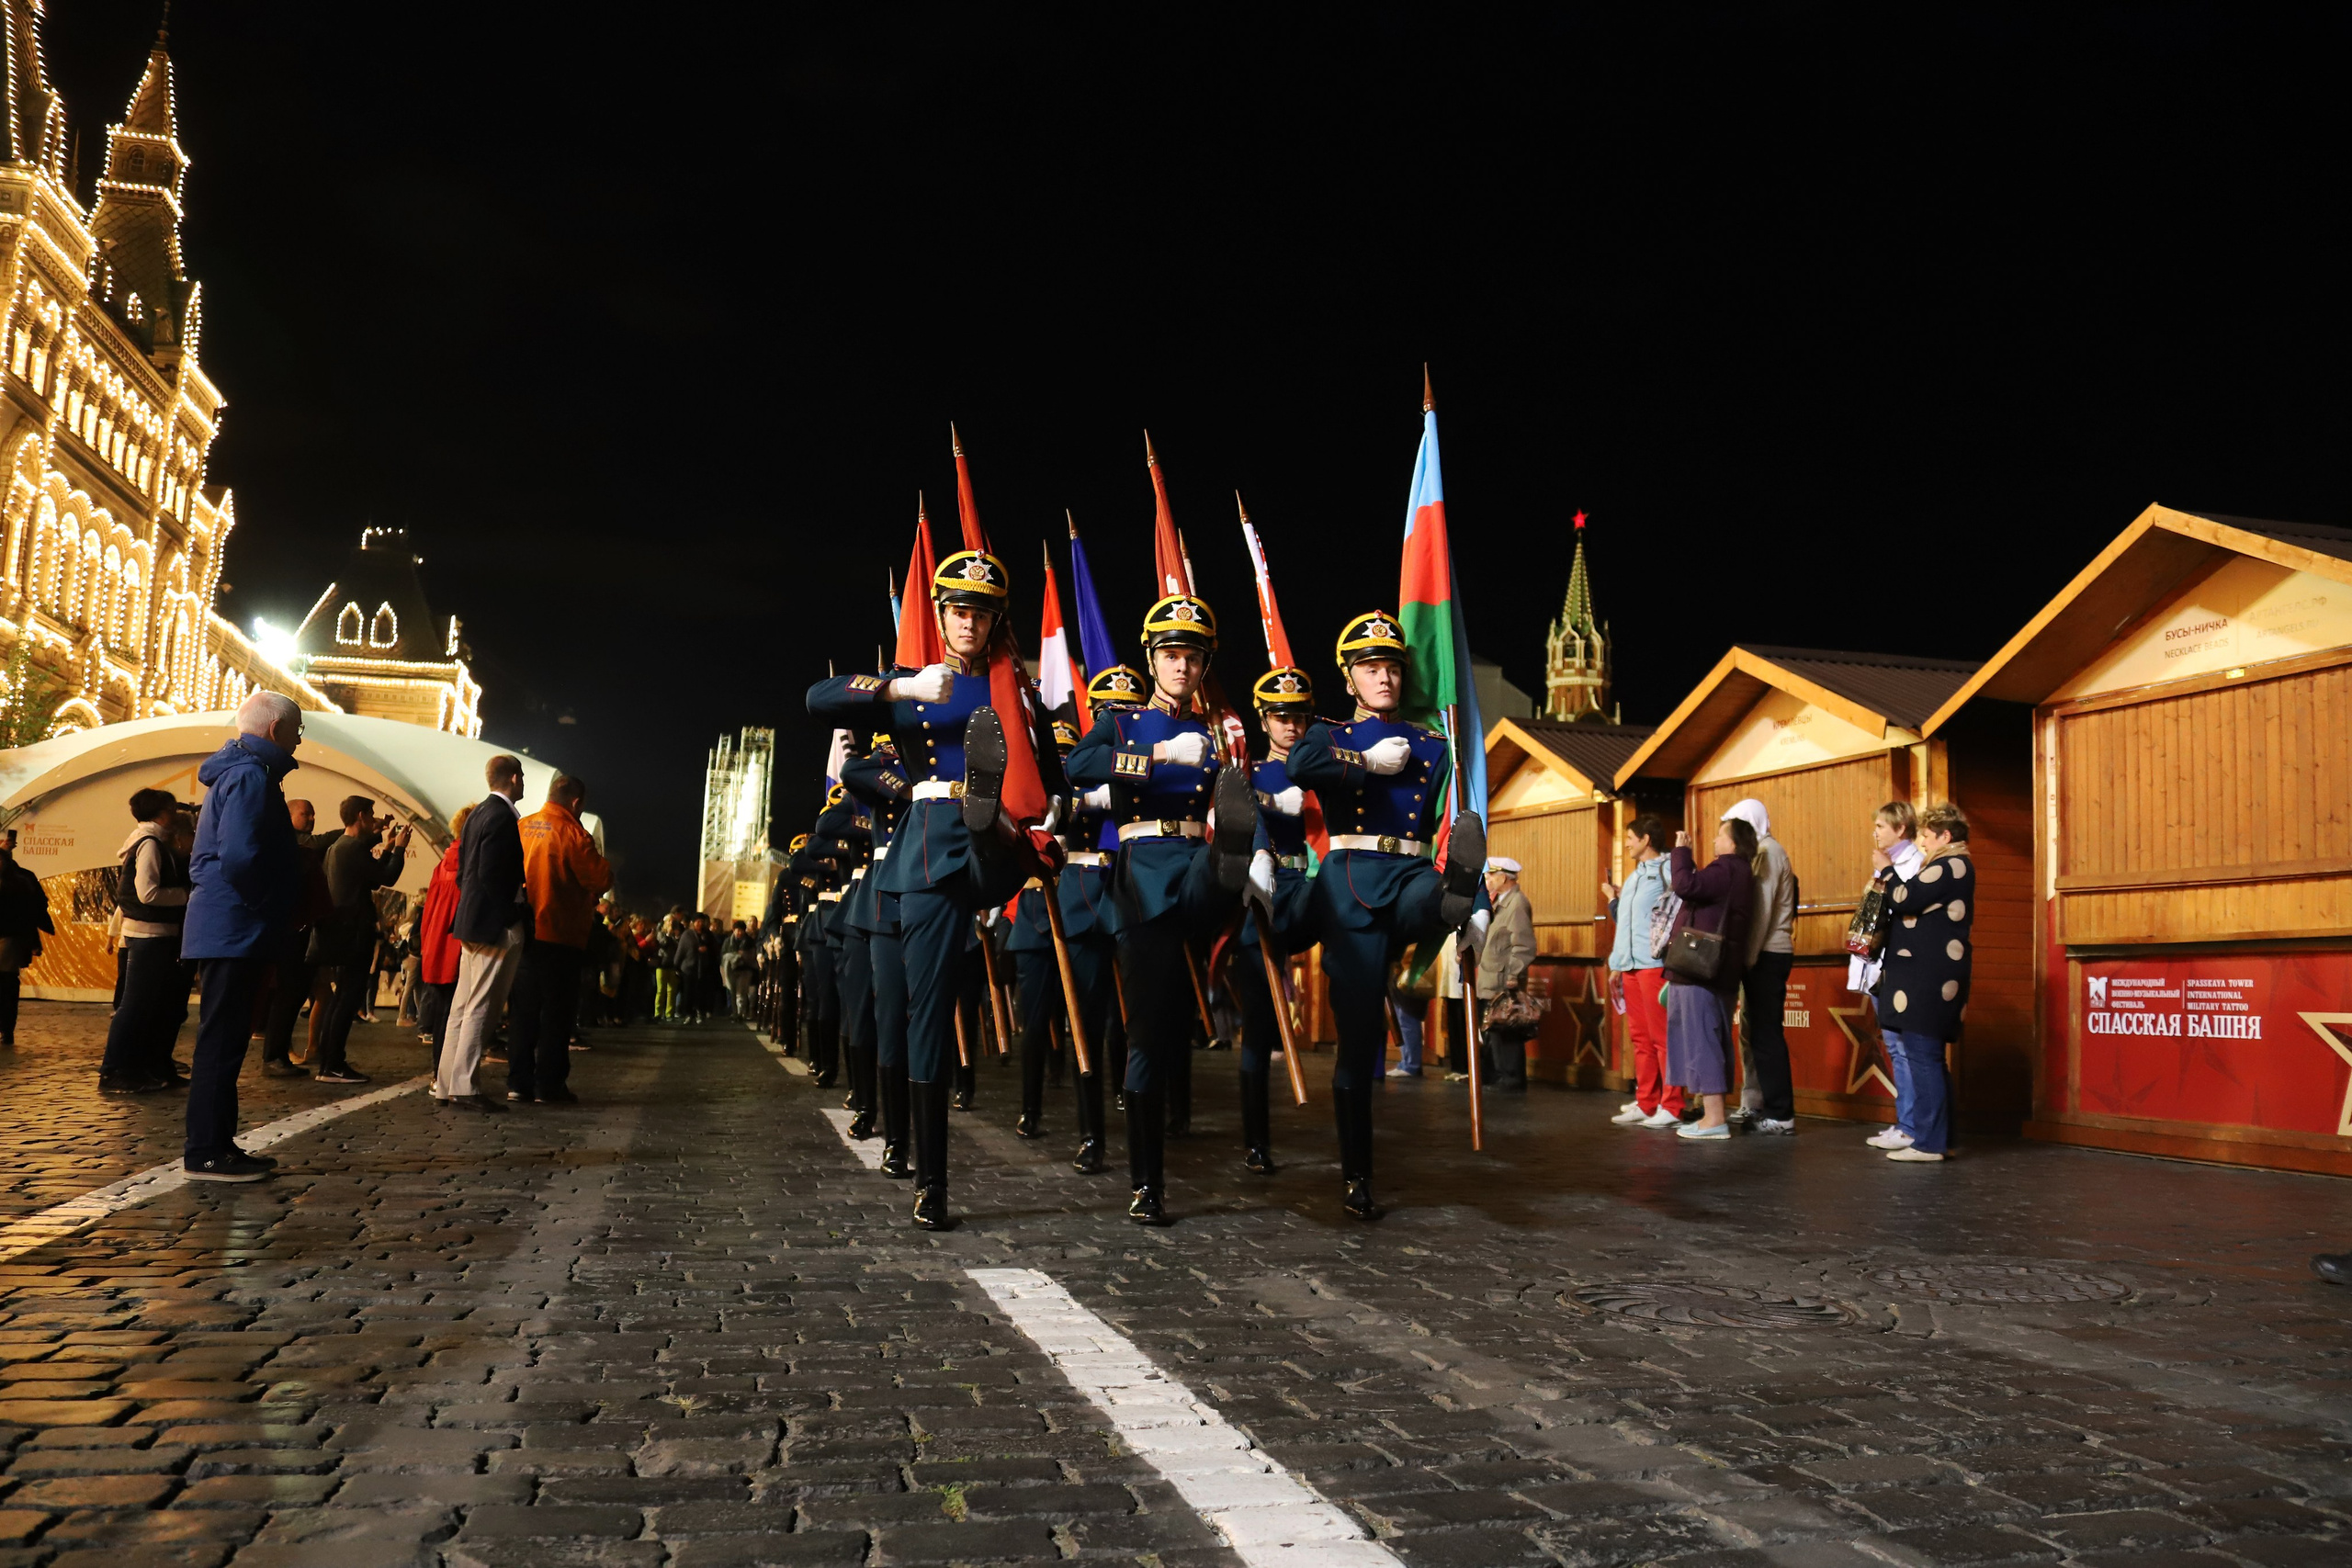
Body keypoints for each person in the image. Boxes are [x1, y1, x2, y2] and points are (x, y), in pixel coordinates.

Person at [808, 545, 1068, 1230]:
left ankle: (987, 811)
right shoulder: (914, 681)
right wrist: (901, 689)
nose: (968, 623)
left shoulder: (1015, 693)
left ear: (992, 622)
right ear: (941, 615)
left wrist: (1059, 824)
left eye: (981, 614)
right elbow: (817, 698)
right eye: (958, 611)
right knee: (930, 1007)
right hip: (928, 849)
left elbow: (1057, 784)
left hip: (997, 844)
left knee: (999, 832)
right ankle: (934, 1180)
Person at [1282, 611, 1486, 1221]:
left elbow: (1441, 818)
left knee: (1436, 896)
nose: (1385, 677)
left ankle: (1460, 898)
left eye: (1393, 667)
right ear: (1350, 678)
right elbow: (1299, 768)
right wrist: (1367, 763)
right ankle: (1357, 1175)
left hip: (1413, 873)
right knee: (1360, 1037)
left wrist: (1465, 899)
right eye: (1371, 668)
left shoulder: (1432, 743)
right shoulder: (1326, 732)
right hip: (1352, 885)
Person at [1066, 594, 1259, 1225]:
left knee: (1217, 871)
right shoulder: (1123, 723)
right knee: (1152, 1033)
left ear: (1205, 665)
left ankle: (1235, 860)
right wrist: (1150, 760)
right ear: (1153, 658)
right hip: (1144, 874)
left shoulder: (1212, 731)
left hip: (1195, 860)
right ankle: (1147, 1183)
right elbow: (1077, 764)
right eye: (1172, 654)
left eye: (1193, 656)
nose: (1182, 665)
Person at [180, 691, 306, 1182]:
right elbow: (239, 857)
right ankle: (207, 1151)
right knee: (222, 1040)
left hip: (229, 923)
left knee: (226, 1038)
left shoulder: (243, 772)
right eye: (297, 729)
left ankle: (216, 1145)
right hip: (236, 924)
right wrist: (269, 906)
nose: (299, 738)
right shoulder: (252, 776)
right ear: (275, 730)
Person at [1226, 666, 1319, 1175]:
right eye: (1281, 717)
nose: (1291, 726)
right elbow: (1229, 809)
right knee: (1259, 1028)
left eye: (1299, 717)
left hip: (1311, 888)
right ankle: (1256, 1140)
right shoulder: (1252, 774)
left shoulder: (1323, 770)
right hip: (1263, 894)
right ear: (1265, 721)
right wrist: (1265, 802)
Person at [1873, 801, 1973, 1164]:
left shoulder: (1952, 864)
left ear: (1946, 836)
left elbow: (1905, 897)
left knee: (1924, 1056)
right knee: (1926, 1057)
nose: (1924, 845)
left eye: (1928, 837)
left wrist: (1886, 872)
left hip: (1930, 976)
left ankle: (1929, 1143)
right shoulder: (1950, 864)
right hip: (1930, 974)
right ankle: (1937, 1138)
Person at [511, 773, 612, 1105]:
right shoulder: (573, 833)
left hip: (524, 932)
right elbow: (599, 878)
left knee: (523, 1011)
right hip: (561, 934)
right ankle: (548, 1085)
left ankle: (518, 1082)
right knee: (556, 1013)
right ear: (576, 802)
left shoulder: (522, 826)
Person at [441, 754, 528, 1109]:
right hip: (493, 923)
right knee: (481, 1004)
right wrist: (510, 914)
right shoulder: (502, 816)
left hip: (472, 919)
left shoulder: (477, 813)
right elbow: (493, 874)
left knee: (462, 1005)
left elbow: (465, 871)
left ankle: (446, 1081)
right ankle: (464, 1085)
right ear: (514, 777)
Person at [1665, 816, 1755, 1139]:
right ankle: (1711, 1116)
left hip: (1699, 969)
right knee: (1708, 1038)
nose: (1715, 842)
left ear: (1733, 843)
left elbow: (1685, 885)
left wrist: (1681, 853)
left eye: (1720, 836)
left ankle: (1714, 1119)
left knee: (1701, 1039)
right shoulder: (1742, 872)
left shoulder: (1727, 868)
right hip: (1720, 969)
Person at [97, 788, 192, 1094]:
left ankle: (151, 1067)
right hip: (148, 936)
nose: (177, 813)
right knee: (135, 1006)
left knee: (157, 1006)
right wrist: (187, 896)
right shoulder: (149, 845)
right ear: (162, 813)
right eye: (173, 808)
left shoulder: (152, 843)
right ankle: (114, 1072)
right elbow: (147, 893)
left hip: (159, 936)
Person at [310, 796, 410, 1085]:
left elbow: (370, 873)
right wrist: (399, 849)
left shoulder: (338, 847)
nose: (374, 819)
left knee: (341, 999)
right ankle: (333, 1064)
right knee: (346, 1000)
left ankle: (329, 1062)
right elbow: (386, 876)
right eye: (372, 815)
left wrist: (386, 842)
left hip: (340, 933)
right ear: (361, 815)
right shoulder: (352, 848)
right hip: (354, 933)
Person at [1851, 801, 1926, 1148]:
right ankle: (1904, 1122)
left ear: (1901, 829)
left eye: (1882, 825)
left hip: (1899, 968)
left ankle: (1911, 1126)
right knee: (1896, 1048)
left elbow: (1903, 905)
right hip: (1878, 967)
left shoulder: (1913, 863)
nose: (1875, 832)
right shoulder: (1888, 863)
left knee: (1904, 1048)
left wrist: (1885, 872)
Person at [1722, 798, 1797, 1134]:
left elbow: (1762, 912)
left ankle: (1781, 1114)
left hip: (1767, 953)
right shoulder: (1763, 852)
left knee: (1767, 1036)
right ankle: (1762, 1105)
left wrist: (1747, 960)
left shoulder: (1769, 852)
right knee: (1757, 1033)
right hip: (1764, 953)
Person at [1603, 814, 1680, 1129]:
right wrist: (1616, 963)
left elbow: (1677, 911)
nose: (1628, 843)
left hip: (1654, 965)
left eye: (1631, 838)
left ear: (1646, 840)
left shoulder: (1666, 869)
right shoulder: (1635, 876)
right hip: (1630, 967)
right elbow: (1627, 922)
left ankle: (1672, 1105)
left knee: (1663, 1038)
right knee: (1640, 1038)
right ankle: (1647, 1102)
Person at [260, 797, 337, 1078]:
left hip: (300, 930)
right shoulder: (291, 849)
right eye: (306, 814)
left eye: (314, 814)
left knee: (293, 996)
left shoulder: (302, 851)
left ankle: (279, 1054)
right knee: (287, 995)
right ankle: (274, 1056)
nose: (312, 818)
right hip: (291, 931)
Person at [1474, 856, 1535, 1090]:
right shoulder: (1501, 902)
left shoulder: (1517, 904)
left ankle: (1511, 1078)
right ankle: (1498, 1075)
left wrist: (1513, 975)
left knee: (1506, 1031)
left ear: (1503, 878)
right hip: (1492, 978)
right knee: (1493, 1031)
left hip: (1503, 980)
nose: (1487, 880)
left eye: (1490, 876)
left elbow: (1524, 945)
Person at [416, 804, 469, 1052]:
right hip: (458, 947)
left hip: (437, 946)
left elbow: (430, 912)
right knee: (457, 1015)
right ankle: (448, 1077)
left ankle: (439, 1075)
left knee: (442, 1014)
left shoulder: (444, 863)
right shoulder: (469, 866)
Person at [0, 830, 52, 1049]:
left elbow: (33, 910)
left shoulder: (20, 880)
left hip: (9, 938)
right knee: (7, 983)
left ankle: (6, 1027)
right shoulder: (23, 879)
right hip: (10, 938)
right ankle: (6, 1027)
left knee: (6, 982)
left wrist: (33, 940)